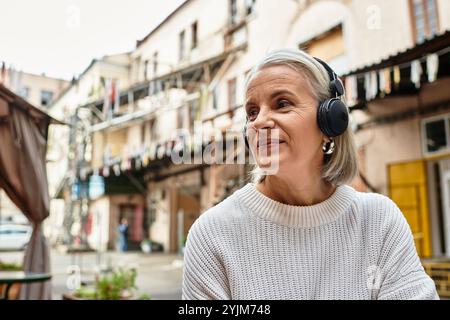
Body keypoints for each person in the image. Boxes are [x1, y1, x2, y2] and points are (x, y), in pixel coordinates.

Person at [182, 48, 438, 300]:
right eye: (252, 112)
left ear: (330, 121)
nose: (259, 122)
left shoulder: (378, 221)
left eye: (282, 104)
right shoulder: (211, 235)